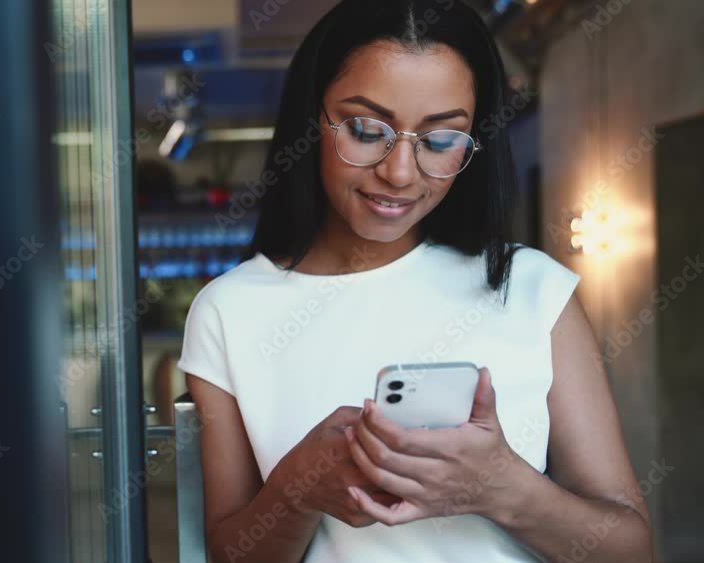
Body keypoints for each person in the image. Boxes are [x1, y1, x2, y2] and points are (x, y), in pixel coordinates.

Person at [176, 1, 654, 562]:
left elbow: (630, 549)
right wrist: (295, 490)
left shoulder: (532, 290)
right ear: (313, 119)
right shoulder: (229, 312)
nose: (400, 173)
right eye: (365, 129)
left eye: (440, 140)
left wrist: (505, 489)